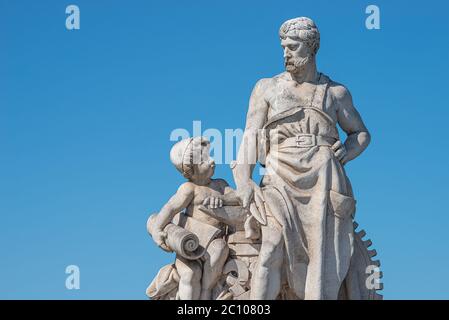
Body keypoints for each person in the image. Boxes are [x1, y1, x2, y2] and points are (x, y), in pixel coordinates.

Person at [233, 17, 371, 300]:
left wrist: (347, 150)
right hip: (278, 174)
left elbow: (360, 134)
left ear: (311, 48)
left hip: (323, 178)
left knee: (323, 252)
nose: (285, 53)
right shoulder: (266, 88)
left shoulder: (335, 93)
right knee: (271, 244)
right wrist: (244, 179)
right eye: (283, 47)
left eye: (293, 47)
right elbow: (251, 136)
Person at [150, 136, 239, 300]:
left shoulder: (220, 185)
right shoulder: (189, 189)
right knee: (191, 274)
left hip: (213, 241)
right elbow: (170, 208)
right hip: (191, 245)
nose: (212, 160)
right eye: (204, 159)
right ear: (191, 169)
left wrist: (224, 199)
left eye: (210, 155)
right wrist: (157, 229)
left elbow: (238, 198)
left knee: (220, 248)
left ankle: (207, 292)